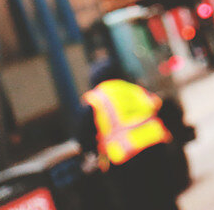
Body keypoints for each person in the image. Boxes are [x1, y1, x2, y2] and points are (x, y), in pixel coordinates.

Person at [76, 57, 180, 210]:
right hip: (157, 150)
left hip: (126, 160)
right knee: (165, 199)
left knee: (138, 204)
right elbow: (163, 107)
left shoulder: (95, 100)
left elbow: (84, 136)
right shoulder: (134, 89)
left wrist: (94, 154)